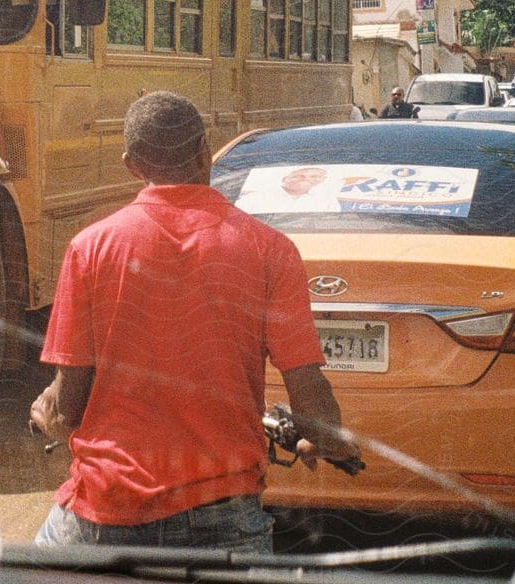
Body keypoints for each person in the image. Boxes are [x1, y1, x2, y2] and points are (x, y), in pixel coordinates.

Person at [29, 90, 359, 553]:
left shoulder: (90, 248)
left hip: (104, 514)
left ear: (131, 164)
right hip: (224, 519)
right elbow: (309, 392)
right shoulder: (270, 249)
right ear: (205, 150)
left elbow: (69, 412)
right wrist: (330, 440)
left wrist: (46, 413)